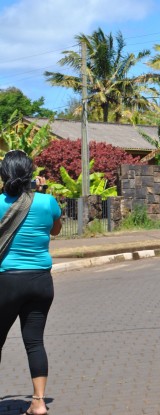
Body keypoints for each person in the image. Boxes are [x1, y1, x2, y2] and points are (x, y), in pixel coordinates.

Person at [0, 150, 62, 415]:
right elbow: (55, 230)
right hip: (41, 281)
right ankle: (38, 402)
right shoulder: (47, 202)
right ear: (30, 174)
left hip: (7, 281)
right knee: (34, 341)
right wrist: (38, 192)